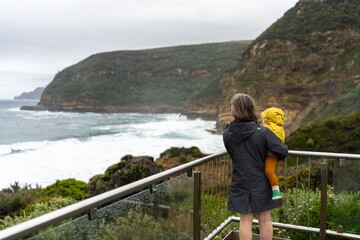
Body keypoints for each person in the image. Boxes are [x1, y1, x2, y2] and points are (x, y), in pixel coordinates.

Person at [223, 93, 288, 240]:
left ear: (234, 110)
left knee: (245, 221)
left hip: (240, 180)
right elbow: (282, 151)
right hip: (261, 181)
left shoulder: (226, 134)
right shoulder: (263, 133)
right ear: (251, 109)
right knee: (264, 220)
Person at [261, 107, 286, 200]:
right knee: (269, 170)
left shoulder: (269, 128)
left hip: (272, 153)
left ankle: (276, 191)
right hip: (273, 152)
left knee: (268, 171)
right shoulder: (279, 127)